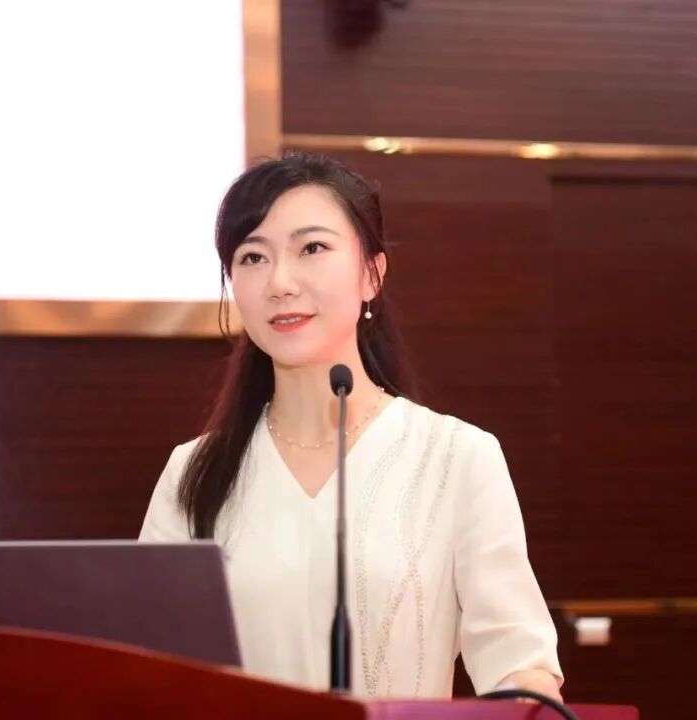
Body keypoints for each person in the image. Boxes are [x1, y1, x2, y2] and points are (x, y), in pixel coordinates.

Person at [139, 151, 563, 700]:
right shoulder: (192, 472)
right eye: (253, 257)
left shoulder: (457, 457)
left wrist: (525, 693)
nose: (280, 282)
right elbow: (146, 669)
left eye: (312, 248)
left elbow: (520, 662)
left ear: (372, 274)